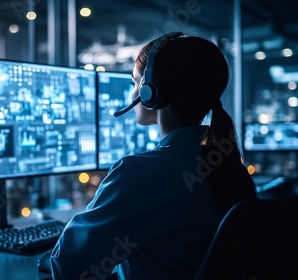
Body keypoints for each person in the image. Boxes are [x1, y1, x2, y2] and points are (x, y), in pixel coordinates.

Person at [47, 33, 257, 279]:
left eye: (133, 83)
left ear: (150, 92)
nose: (131, 92)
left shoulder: (141, 173)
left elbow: (68, 267)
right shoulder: (229, 166)